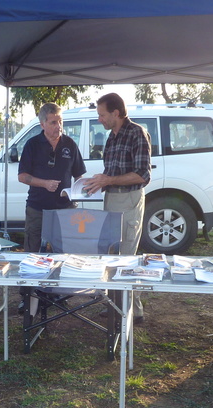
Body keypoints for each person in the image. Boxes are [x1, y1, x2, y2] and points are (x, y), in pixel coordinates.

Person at [84, 93, 152, 323]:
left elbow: (142, 175)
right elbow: (112, 174)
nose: (99, 119)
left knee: (127, 257)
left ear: (115, 113)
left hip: (129, 199)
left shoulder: (137, 133)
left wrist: (108, 181)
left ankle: (134, 312)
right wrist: (97, 183)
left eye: (102, 115)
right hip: (111, 199)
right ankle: (116, 305)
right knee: (110, 254)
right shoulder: (111, 137)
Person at [18, 102, 86, 252]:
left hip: (65, 208)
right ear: (42, 124)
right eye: (53, 122)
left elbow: (78, 174)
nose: (59, 126)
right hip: (37, 208)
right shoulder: (32, 145)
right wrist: (45, 184)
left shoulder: (70, 144)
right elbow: (22, 176)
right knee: (32, 252)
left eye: (60, 121)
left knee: (64, 252)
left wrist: (80, 191)